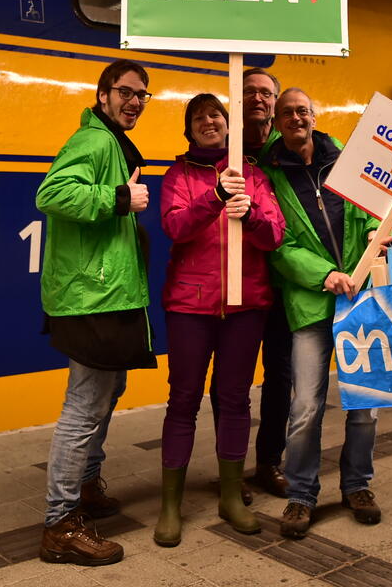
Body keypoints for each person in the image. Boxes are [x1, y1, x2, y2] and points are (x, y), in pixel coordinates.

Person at [35, 59, 156, 566]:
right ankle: (60, 523)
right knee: (84, 406)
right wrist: (119, 196)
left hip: (108, 294)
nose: (133, 101)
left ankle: (85, 485)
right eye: (124, 92)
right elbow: (52, 192)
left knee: (107, 391)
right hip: (92, 296)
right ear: (102, 95)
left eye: (141, 95)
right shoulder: (93, 141)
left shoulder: (112, 141)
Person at [154, 94, 285, 546]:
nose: (208, 122)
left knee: (234, 400)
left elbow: (274, 235)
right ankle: (170, 504)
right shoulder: (178, 176)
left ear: (229, 126)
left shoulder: (254, 176)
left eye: (216, 115)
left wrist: (249, 214)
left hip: (246, 306)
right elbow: (175, 227)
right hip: (190, 305)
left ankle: (231, 495)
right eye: (199, 117)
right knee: (183, 400)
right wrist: (214, 197)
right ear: (188, 130)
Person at [261, 88, 388, 539]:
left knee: (366, 404)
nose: (296, 118)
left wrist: (379, 233)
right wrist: (325, 274)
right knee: (305, 406)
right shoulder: (269, 176)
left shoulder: (347, 162)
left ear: (314, 116)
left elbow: (371, 211)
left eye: (302, 111)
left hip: (361, 299)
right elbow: (278, 246)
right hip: (313, 302)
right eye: (287, 113)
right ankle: (301, 494)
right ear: (276, 122)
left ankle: (357, 485)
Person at [236, 67, 292, 499]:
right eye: (249, 91)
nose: (258, 98)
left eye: (266, 93)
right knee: (232, 380)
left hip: (286, 283)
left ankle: (269, 460)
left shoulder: (291, 147)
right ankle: (230, 461)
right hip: (237, 280)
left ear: (275, 102)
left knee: (280, 376)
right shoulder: (225, 147)